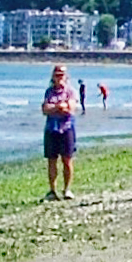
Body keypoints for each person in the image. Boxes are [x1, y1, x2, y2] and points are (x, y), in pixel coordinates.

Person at [41, 65, 79, 200]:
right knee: (51, 160)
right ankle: (52, 190)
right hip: (51, 129)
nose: (59, 78)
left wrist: (56, 108)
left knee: (67, 160)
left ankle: (67, 189)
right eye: (57, 75)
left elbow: (70, 109)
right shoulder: (49, 92)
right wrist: (59, 107)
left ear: (66, 76)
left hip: (66, 129)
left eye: (61, 75)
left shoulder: (71, 91)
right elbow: (45, 109)